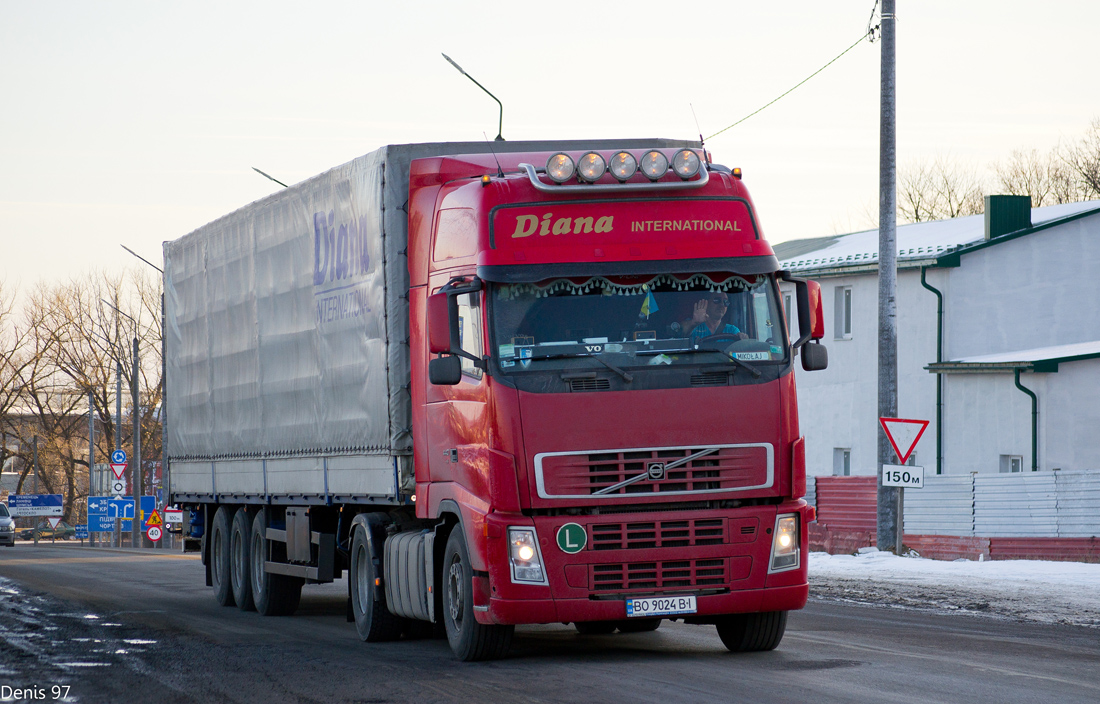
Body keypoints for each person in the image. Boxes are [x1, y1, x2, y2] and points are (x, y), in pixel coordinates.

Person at [681, 292, 747, 345]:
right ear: (706, 302)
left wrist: (743, 339)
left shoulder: (732, 330)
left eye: (725, 301)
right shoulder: (694, 326)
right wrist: (694, 322)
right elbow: (680, 331)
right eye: (717, 300)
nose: (722, 305)